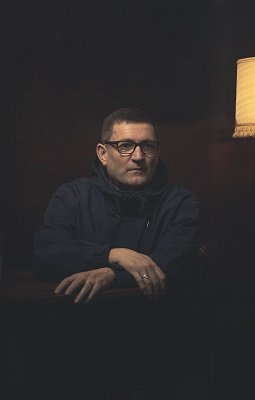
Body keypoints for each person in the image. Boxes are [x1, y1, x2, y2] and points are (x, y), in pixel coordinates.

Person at [32, 107, 207, 399]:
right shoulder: (71, 196)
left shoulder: (181, 202)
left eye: (147, 146)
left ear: (157, 151)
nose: (138, 156)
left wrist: (110, 275)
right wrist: (113, 254)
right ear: (103, 153)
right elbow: (46, 255)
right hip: (80, 348)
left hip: (158, 348)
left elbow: (177, 260)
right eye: (125, 145)